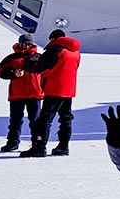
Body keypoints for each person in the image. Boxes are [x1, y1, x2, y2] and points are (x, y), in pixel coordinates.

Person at [23, 29, 83, 157]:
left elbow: (39, 67)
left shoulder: (56, 50)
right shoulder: (75, 52)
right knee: (66, 118)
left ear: (53, 39)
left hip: (54, 89)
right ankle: (63, 146)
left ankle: (39, 147)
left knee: (44, 119)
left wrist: (29, 63)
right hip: (69, 90)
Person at [0, 35, 44, 152]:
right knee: (15, 121)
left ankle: (36, 143)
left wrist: (43, 87)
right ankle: (12, 143)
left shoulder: (39, 58)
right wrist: (13, 73)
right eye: (24, 44)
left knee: (35, 121)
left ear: (32, 44)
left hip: (35, 94)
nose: (26, 46)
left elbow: (48, 73)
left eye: (28, 44)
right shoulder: (12, 58)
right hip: (17, 95)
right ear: (19, 44)